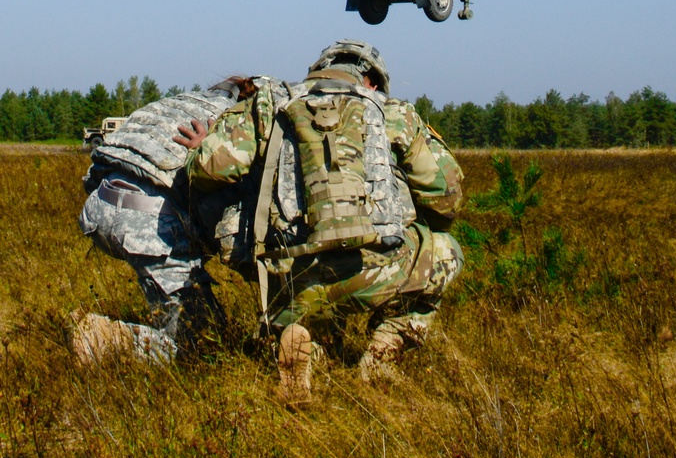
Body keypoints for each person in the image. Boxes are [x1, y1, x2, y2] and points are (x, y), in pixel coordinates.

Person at [180, 40, 464, 396]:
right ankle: (382, 354)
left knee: (292, 307)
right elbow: (447, 197)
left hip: (290, 275)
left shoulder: (272, 106)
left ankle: (295, 339)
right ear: (372, 82)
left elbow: (210, 170)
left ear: (317, 70)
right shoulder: (395, 114)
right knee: (446, 251)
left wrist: (200, 151)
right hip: (374, 269)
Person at [72, 79, 245, 366]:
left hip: (99, 206)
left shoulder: (173, 105)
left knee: (206, 320)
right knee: (201, 346)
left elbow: (96, 169)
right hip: (148, 221)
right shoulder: (232, 123)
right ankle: (106, 340)